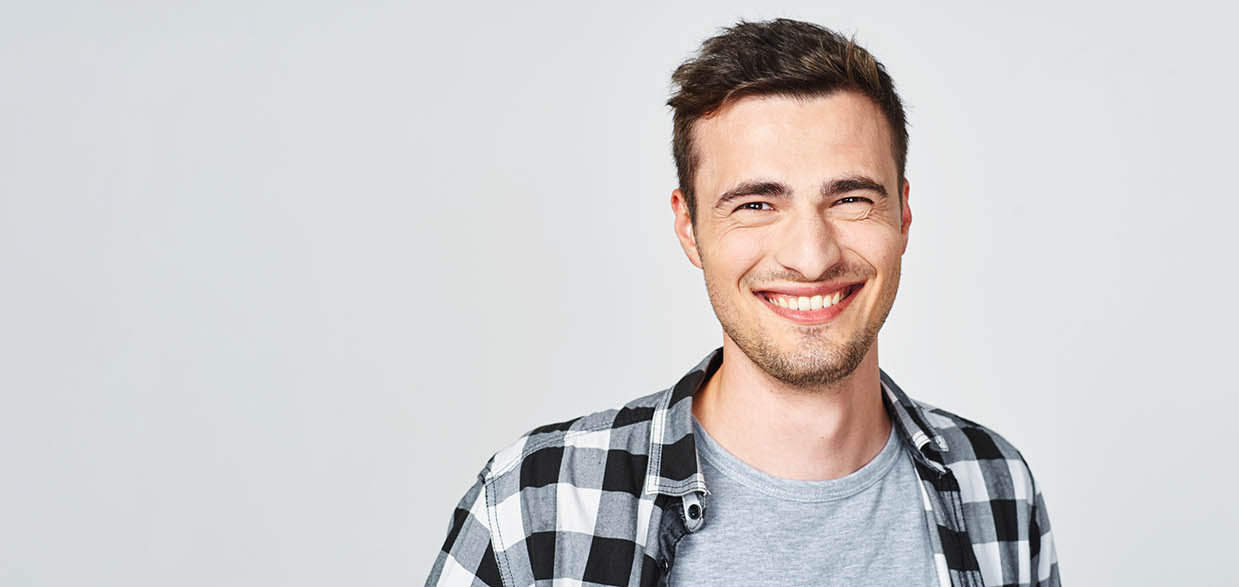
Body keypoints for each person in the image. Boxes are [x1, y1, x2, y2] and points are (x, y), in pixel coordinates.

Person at [425, 18, 1058, 587]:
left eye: (850, 199)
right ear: (688, 227)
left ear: (904, 215)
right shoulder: (540, 505)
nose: (811, 257)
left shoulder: (994, 485)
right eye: (756, 204)